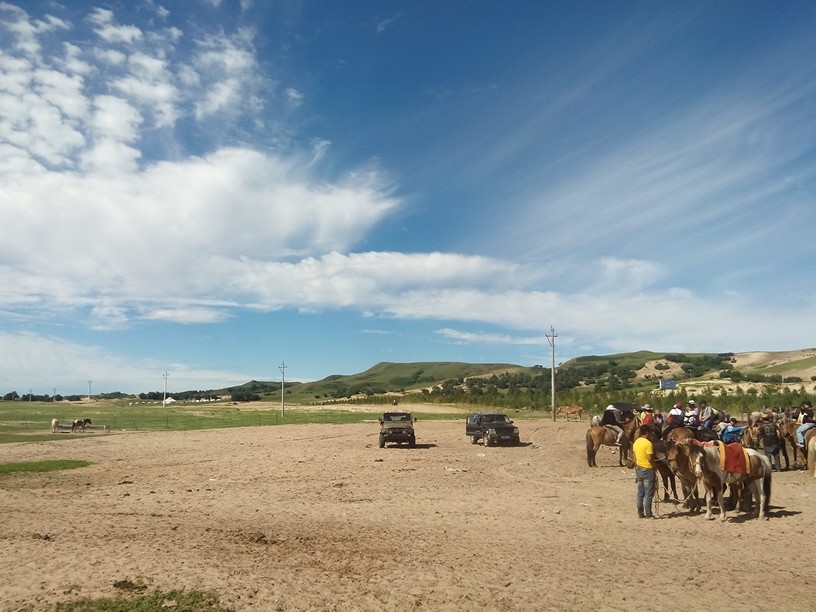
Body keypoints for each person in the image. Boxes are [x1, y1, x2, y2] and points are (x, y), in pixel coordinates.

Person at [632, 425, 656, 519]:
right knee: (648, 494)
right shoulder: (648, 444)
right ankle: (649, 514)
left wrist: (637, 465)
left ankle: (640, 513)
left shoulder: (636, 442)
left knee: (640, 493)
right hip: (648, 469)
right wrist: (654, 466)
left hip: (638, 468)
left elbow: (634, 456)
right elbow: (650, 458)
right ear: (647, 433)